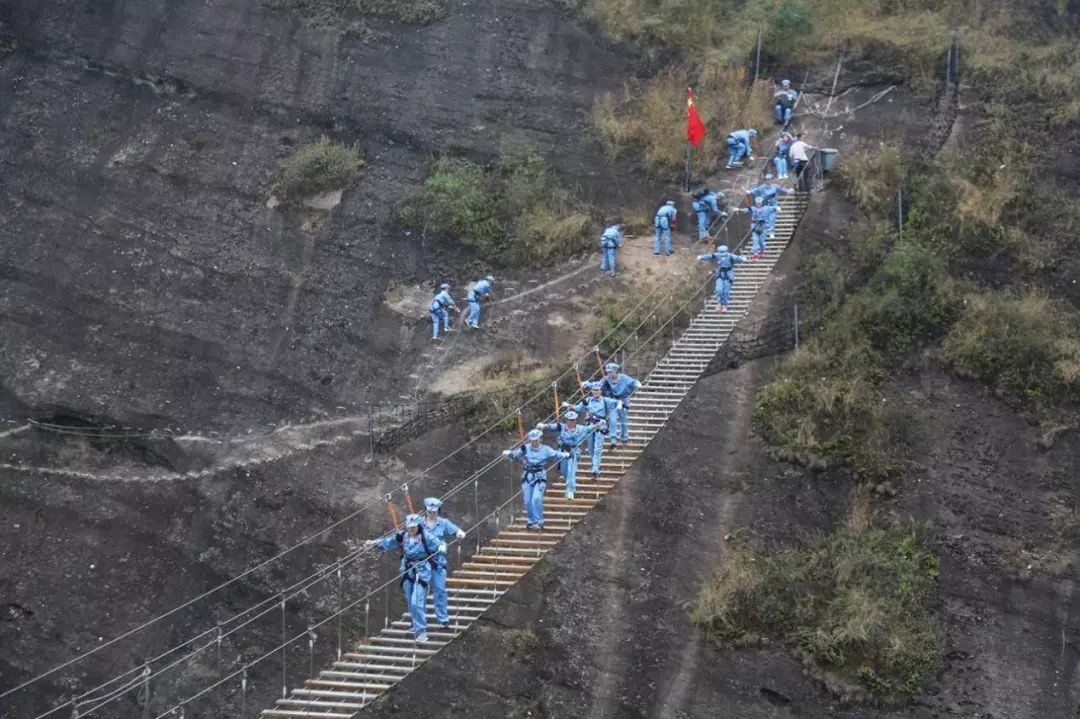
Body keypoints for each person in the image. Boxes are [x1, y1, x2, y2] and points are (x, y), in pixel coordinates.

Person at [368, 514, 443, 642]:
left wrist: (441, 547)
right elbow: (389, 542)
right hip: (407, 572)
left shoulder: (426, 537)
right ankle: (415, 624)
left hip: (422, 572)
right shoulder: (403, 537)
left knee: (416, 602)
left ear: (418, 526)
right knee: (410, 601)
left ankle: (421, 632)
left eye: (413, 527)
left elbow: (439, 544)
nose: (411, 529)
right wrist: (374, 543)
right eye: (409, 527)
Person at [502, 429, 569, 530]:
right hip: (527, 476)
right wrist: (509, 453)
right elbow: (516, 455)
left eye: (536, 440)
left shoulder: (546, 450)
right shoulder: (525, 448)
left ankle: (539, 522)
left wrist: (564, 455)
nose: (534, 442)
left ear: (540, 440)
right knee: (528, 500)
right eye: (532, 440)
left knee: (536, 498)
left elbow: (555, 454)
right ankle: (531, 521)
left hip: (539, 477)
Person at [537, 409, 604, 500]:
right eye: (570, 420)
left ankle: (570, 491)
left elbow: (590, 428)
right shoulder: (562, 427)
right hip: (563, 452)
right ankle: (570, 486)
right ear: (567, 420)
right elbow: (552, 426)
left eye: (573, 420)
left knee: (571, 472)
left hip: (573, 452)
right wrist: (544, 426)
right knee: (564, 472)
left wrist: (599, 424)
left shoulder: (580, 428)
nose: (572, 422)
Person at [421, 497, 466, 629]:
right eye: (430, 511)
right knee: (420, 592)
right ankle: (419, 621)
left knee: (440, 590)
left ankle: (443, 618)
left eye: (435, 511)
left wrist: (459, 533)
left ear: (438, 511)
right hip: (422, 563)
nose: (432, 513)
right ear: (426, 510)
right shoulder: (419, 524)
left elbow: (455, 530)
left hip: (438, 563)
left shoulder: (443, 523)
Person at [570, 382, 621, 478]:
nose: (595, 392)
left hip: (600, 426)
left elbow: (618, 401)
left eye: (597, 390)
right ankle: (594, 466)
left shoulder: (605, 400)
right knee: (590, 449)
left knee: (597, 449)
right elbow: (578, 408)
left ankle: (595, 470)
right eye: (594, 390)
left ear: (600, 391)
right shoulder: (588, 400)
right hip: (589, 426)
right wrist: (568, 405)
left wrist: (619, 405)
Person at [697, 243, 747, 312]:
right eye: (721, 253)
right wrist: (702, 257)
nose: (722, 255)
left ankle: (724, 305)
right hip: (720, 275)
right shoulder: (717, 255)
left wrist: (742, 258)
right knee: (719, 289)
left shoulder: (730, 256)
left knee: (726, 292)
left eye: (723, 253)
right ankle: (719, 303)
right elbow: (710, 256)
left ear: (726, 252)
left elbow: (737, 258)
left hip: (728, 276)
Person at [601, 362, 642, 447]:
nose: (609, 374)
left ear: (615, 371)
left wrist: (637, 384)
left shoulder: (623, 377)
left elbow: (633, 381)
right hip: (613, 400)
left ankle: (624, 437)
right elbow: (597, 385)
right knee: (613, 420)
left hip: (623, 400)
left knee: (623, 421)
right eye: (607, 372)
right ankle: (613, 441)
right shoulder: (606, 379)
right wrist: (587, 384)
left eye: (610, 372)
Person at [735, 196, 777, 260]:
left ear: (761, 203)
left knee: (761, 242)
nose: (758, 204)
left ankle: (762, 250)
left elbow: (773, 208)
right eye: (757, 203)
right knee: (755, 240)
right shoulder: (753, 209)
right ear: (756, 203)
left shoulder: (766, 208)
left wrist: (776, 207)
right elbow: (746, 210)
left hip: (763, 226)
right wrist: (738, 209)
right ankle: (755, 254)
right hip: (755, 226)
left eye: (759, 203)